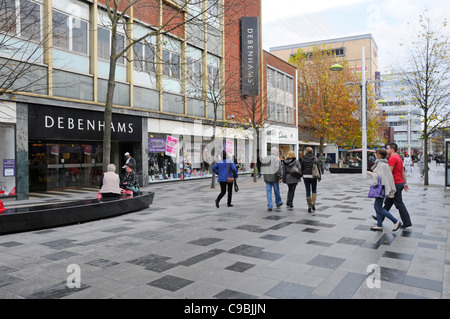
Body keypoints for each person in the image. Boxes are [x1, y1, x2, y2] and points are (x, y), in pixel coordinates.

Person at [367, 149, 401, 231]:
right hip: (382, 187)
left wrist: (370, 173)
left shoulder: (381, 164)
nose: (375, 155)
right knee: (377, 206)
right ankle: (379, 225)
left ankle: (396, 221)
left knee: (379, 208)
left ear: (378, 155)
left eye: (376, 154)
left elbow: (379, 176)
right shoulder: (384, 163)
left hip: (380, 187)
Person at [382, 143, 413, 228]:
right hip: (399, 183)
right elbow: (402, 172)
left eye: (387, 148)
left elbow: (389, 172)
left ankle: (407, 222)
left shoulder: (392, 158)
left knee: (399, 204)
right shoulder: (399, 158)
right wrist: (405, 183)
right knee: (388, 202)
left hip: (394, 184)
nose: (386, 150)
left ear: (392, 149)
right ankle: (380, 218)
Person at [261, 147, 283, 211]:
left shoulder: (265, 159)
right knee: (276, 191)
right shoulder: (276, 159)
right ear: (275, 152)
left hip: (267, 178)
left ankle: (270, 205)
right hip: (274, 178)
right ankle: (278, 202)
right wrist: (280, 177)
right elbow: (278, 169)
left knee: (268, 191)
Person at [301, 147, 321, 213]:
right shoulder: (315, 159)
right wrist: (319, 177)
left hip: (305, 176)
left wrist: (302, 175)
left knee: (308, 191)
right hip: (313, 176)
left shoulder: (303, 159)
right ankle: (313, 202)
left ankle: (309, 206)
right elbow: (318, 168)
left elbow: (302, 168)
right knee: (314, 190)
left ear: (306, 151)